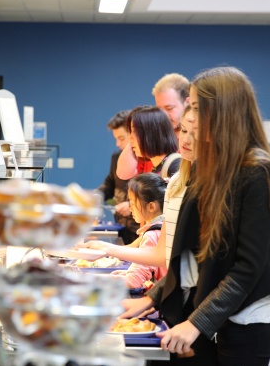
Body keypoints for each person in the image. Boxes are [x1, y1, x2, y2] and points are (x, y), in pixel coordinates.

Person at [121, 66, 270, 366]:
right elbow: (187, 258)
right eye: (190, 107)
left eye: (197, 107)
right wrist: (151, 299)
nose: (188, 118)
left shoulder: (257, 170)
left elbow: (247, 270)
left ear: (226, 112)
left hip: (241, 325)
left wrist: (196, 323)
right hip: (194, 321)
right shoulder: (201, 167)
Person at [83, 105, 198, 270]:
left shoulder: (175, 167)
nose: (130, 141)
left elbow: (165, 241)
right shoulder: (156, 167)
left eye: (133, 133)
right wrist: (108, 249)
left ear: (149, 133)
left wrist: (109, 250)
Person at [116, 73, 189, 180]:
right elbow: (123, 174)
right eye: (159, 109)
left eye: (169, 108)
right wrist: (136, 133)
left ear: (187, 102)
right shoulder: (150, 143)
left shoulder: (194, 142)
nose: (164, 115)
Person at [111, 173, 167, 290]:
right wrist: (127, 273)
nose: (130, 208)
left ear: (151, 207)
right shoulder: (164, 227)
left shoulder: (152, 235)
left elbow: (133, 281)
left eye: (132, 203)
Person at [97, 110, 140, 244]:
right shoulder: (117, 157)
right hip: (121, 226)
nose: (117, 144)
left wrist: (133, 205)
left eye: (121, 138)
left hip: (140, 229)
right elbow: (109, 183)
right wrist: (97, 196)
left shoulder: (148, 159)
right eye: (116, 138)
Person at [128, 106, 181, 179]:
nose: (130, 138)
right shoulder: (157, 166)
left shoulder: (175, 165)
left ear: (152, 133)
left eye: (135, 132)